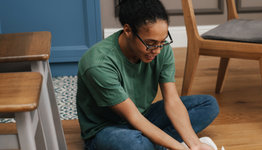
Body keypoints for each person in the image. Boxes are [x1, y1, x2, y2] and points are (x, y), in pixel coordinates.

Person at [75, 0, 219, 149]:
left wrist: (195, 144)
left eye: (162, 41)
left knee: (209, 105)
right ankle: (158, 143)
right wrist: (181, 148)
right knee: (135, 145)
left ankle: (155, 143)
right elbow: (133, 117)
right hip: (108, 128)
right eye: (150, 43)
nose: (157, 50)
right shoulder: (97, 64)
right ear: (128, 30)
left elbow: (173, 100)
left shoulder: (160, 49)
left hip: (144, 115)